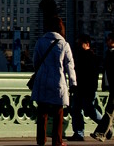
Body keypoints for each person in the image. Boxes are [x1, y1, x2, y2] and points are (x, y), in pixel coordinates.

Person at [31, 15, 77, 146]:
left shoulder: (40, 42)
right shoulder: (64, 44)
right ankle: (57, 141)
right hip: (58, 81)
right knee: (58, 112)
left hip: (42, 81)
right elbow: (70, 66)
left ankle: (41, 140)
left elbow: (35, 61)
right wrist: (73, 83)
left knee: (42, 112)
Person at [69, 34, 101, 141]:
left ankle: (80, 132)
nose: (79, 45)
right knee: (85, 110)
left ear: (87, 44)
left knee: (83, 110)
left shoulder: (83, 57)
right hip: (85, 89)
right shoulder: (92, 57)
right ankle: (80, 132)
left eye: (80, 43)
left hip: (84, 89)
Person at [92, 32, 114, 141]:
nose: (107, 41)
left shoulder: (111, 54)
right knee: (110, 111)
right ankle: (103, 133)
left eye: (109, 39)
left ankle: (101, 133)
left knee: (109, 111)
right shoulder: (109, 53)